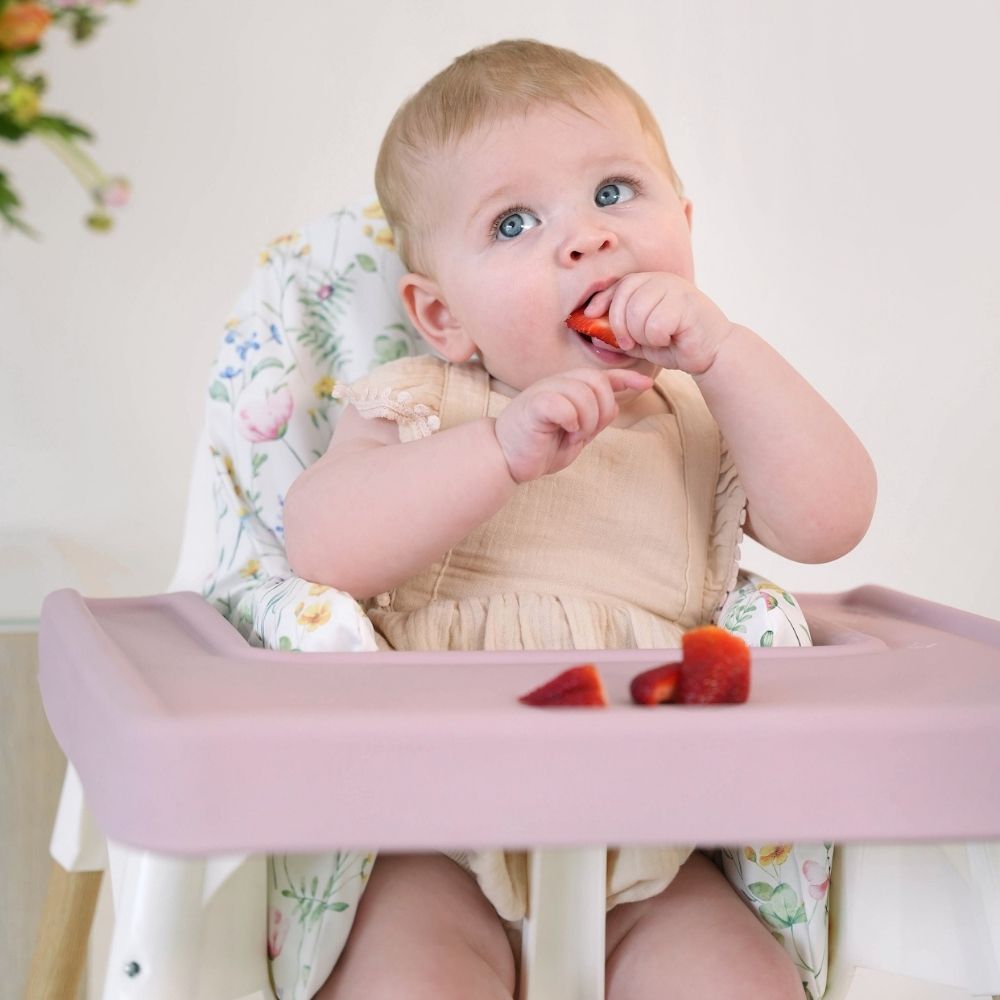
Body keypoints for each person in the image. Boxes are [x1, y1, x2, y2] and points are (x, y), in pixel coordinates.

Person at [284, 37, 876, 1000]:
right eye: (514, 222)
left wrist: (726, 354)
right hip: (433, 828)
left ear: (684, 227)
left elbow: (832, 521)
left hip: (648, 839)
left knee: (736, 981)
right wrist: (497, 452)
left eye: (613, 194)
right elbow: (320, 545)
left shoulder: (701, 419)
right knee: (408, 980)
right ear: (443, 317)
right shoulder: (427, 401)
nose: (586, 237)